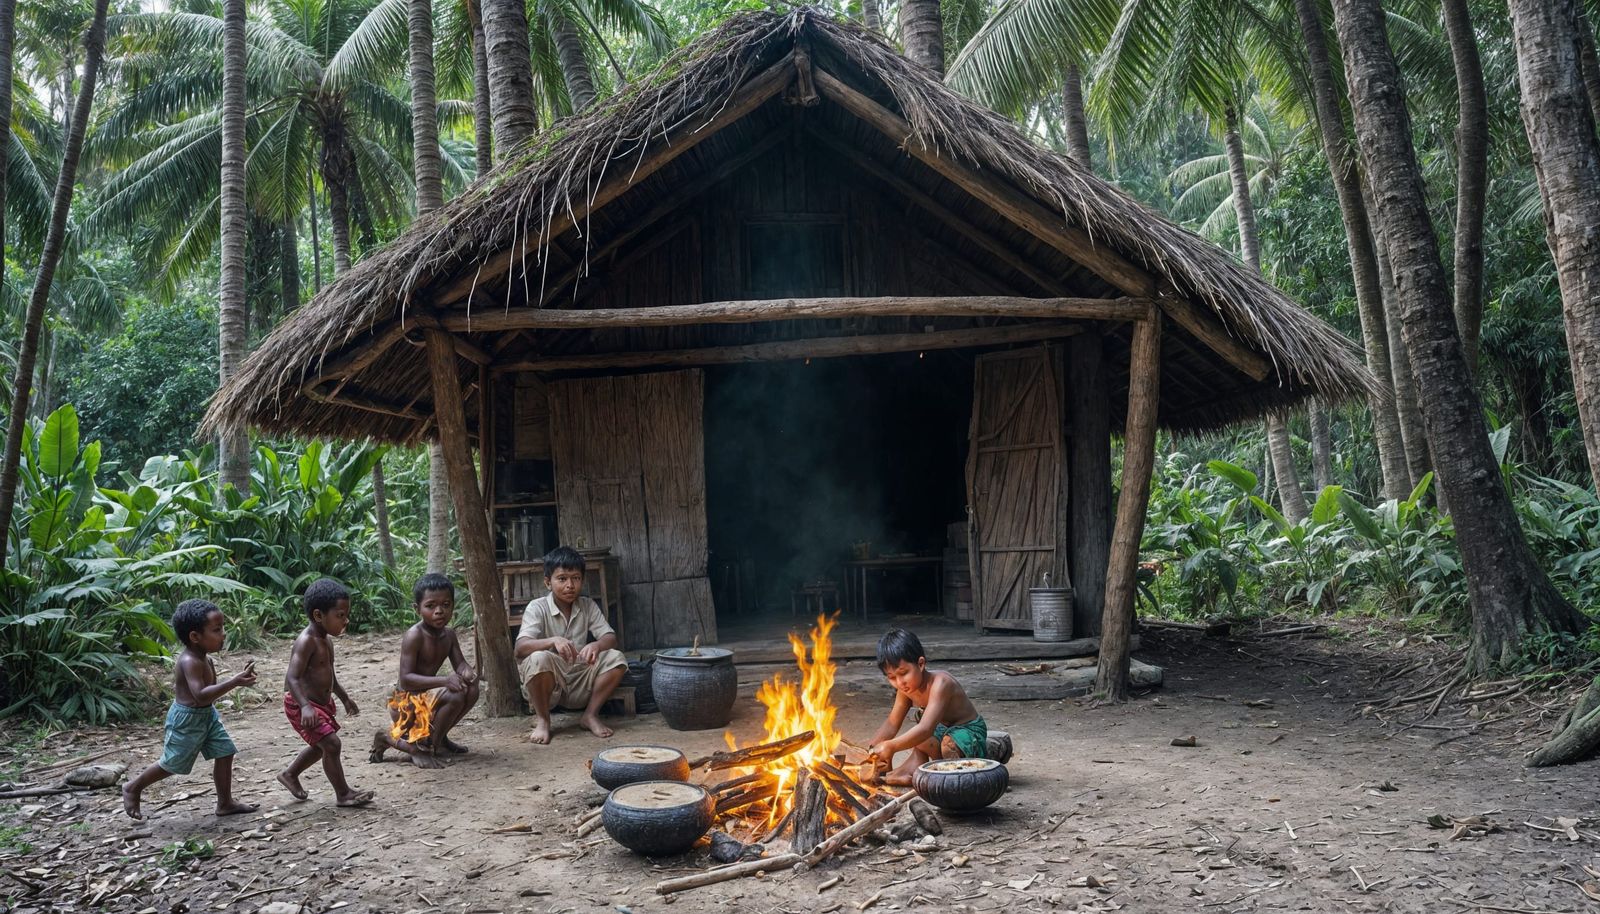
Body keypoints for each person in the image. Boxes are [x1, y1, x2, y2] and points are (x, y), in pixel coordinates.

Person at [122, 599, 260, 820]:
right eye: (217, 630)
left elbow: (209, 693)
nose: (223, 634)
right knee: (172, 763)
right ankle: (133, 787)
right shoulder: (189, 661)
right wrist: (234, 682)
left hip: (207, 716)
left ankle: (225, 803)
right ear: (195, 637)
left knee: (225, 751)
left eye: (222, 628)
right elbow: (200, 694)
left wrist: (238, 679)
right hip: (186, 720)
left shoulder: (206, 658)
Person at [515, 545, 627, 744]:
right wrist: (552, 641)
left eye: (575, 578)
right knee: (539, 658)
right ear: (548, 582)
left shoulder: (587, 605)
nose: (570, 585)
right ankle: (543, 720)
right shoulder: (537, 607)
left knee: (616, 658)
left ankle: (590, 715)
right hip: (550, 685)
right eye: (562, 579)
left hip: (580, 677)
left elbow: (610, 638)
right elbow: (520, 649)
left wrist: (597, 646)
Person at [277, 578, 374, 806]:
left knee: (322, 746)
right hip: (301, 704)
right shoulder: (306, 642)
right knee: (331, 744)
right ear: (319, 615)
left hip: (319, 704)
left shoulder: (326, 640)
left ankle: (290, 774)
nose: (346, 620)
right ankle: (343, 794)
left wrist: (344, 697)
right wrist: (305, 706)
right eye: (340, 615)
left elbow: (330, 674)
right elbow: (293, 677)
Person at [369, 573, 479, 768]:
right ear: (417, 608)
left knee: (471, 689)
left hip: (428, 697)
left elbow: (460, 664)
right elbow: (406, 679)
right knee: (454, 694)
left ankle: (438, 740)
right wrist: (445, 681)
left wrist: (467, 672)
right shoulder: (414, 635)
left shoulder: (449, 635)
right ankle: (395, 741)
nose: (439, 611)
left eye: (446, 605)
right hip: (405, 702)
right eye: (431, 606)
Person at [867, 628, 986, 787]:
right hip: (940, 730)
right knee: (917, 739)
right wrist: (873, 748)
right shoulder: (905, 690)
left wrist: (891, 746)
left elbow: (925, 728)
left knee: (947, 745)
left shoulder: (941, 683)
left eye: (903, 673)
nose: (900, 682)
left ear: (921, 664)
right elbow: (892, 723)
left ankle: (942, 774)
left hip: (967, 731)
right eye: (892, 677)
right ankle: (912, 769)